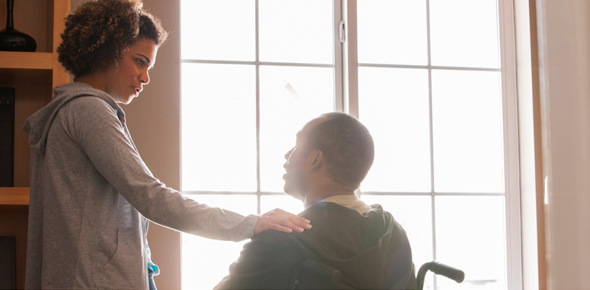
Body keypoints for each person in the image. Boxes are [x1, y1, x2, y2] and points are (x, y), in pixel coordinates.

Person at [21, 1, 310, 289]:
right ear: (109, 51)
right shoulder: (88, 111)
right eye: (140, 61)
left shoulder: (70, 111)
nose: (145, 78)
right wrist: (250, 224)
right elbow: (151, 198)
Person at [214, 112, 416, 289]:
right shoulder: (395, 236)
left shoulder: (281, 238)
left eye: (297, 145)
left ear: (315, 159)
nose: (287, 155)